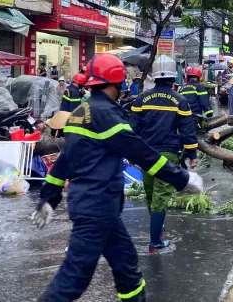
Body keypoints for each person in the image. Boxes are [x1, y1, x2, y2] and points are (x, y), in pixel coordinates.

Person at [31, 53, 203, 301]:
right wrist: (182, 178)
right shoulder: (106, 115)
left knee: (127, 269)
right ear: (118, 82)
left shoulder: (81, 112)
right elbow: (141, 153)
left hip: (98, 208)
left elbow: (63, 162)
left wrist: (48, 199)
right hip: (96, 209)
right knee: (72, 280)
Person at [130, 55, 198, 253]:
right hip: (167, 155)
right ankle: (155, 242)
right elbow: (187, 130)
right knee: (160, 196)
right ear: (173, 77)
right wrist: (192, 154)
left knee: (151, 194)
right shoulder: (179, 100)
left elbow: (132, 128)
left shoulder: (141, 98)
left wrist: (130, 152)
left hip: (145, 154)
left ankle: (158, 228)